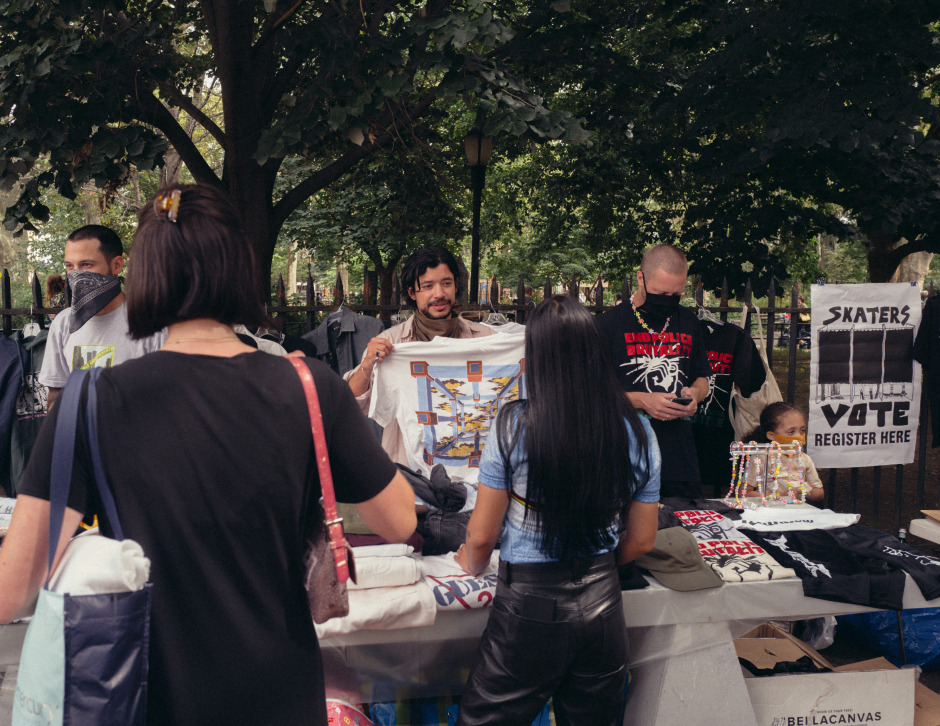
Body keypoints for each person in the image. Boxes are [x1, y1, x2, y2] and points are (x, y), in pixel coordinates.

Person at [0, 185, 417, 725]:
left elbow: (13, 589)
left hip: (149, 695)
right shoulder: (310, 388)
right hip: (280, 693)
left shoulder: (88, 401)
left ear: (142, 276)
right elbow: (401, 519)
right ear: (238, 269)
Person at [454, 295, 660, 726]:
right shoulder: (638, 430)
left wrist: (468, 562)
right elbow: (641, 540)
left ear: (535, 358)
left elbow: (480, 537)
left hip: (528, 611)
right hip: (605, 606)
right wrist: (593, 568)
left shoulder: (513, 425)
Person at [344, 246, 494, 465]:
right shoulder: (391, 344)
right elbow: (350, 403)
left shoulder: (485, 340)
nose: (439, 294)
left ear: (456, 285)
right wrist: (367, 365)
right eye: (427, 286)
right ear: (412, 293)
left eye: (446, 283)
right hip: (412, 477)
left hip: (471, 473)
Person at [597, 244, 711, 499]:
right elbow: (589, 392)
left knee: (682, 532)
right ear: (641, 278)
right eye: (660, 292)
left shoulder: (689, 322)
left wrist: (695, 394)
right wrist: (641, 400)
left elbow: (703, 377)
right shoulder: (606, 325)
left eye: (676, 294)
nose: (667, 300)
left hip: (679, 457)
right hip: (621, 455)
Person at [38, 224, 165, 409]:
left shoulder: (150, 323)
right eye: (70, 266)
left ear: (117, 266)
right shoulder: (64, 323)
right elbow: (56, 393)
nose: (76, 275)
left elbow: (166, 396)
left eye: (86, 264)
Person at [742, 401, 824, 503]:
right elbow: (744, 493)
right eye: (791, 432)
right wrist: (782, 495)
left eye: (802, 430)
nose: (798, 436)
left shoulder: (804, 459)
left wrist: (808, 493)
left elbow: (819, 492)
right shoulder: (761, 459)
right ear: (771, 436)